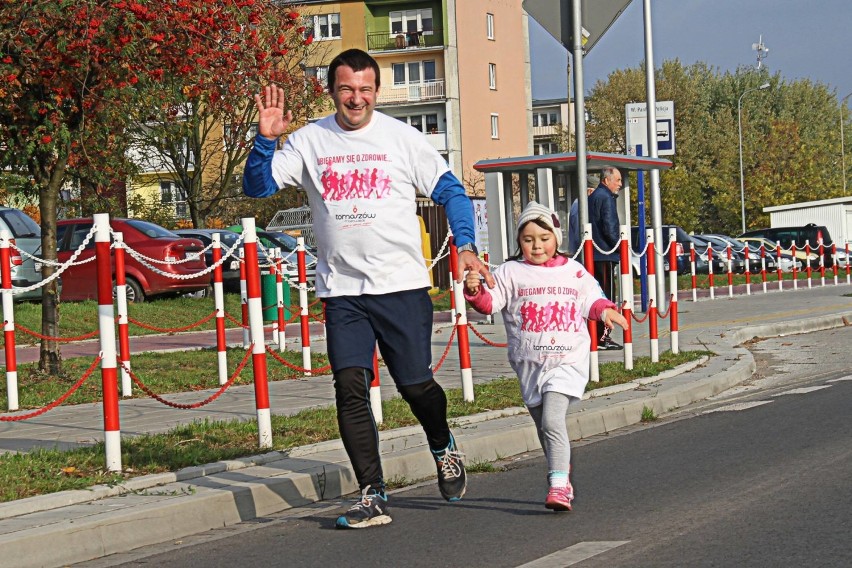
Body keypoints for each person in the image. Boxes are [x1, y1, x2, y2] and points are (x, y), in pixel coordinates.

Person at [242, 48, 494, 529]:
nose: (355, 99)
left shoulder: (402, 139)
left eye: (364, 90)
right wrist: (264, 141)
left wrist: (465, 245)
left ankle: (442, 444)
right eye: (345, 89)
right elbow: (257, 189)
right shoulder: (310, 140)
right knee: (350, 386)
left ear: (376, 91)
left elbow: (452, 193)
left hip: (400, 287)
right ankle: (372, 494)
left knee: (416, 386)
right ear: (331, 90)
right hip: (343, 291)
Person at [463, 201, 628, 511]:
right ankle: (559, 475)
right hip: (529, 364)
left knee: (553, 420)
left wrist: (605, 311)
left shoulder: (573, 271)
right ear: (519, 242)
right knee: (544, 427)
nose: (537, 246)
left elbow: (591, 299)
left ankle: (559, 485)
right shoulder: (510, 272)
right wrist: (473, 291)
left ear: (556, 238)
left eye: (544, 238)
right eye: (528, 240)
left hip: (566, 361)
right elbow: (489, 304)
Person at [588, 166, 624, 350]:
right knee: (606, 296)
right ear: (607, 180)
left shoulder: (594, 196)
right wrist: (619, 246)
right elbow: (609, 227)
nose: (620, 184)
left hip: (594, 254)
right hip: (604, 253)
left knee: (597, 295)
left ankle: (598, 335)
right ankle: (603, 337)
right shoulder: (605, 198)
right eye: (617, 180)